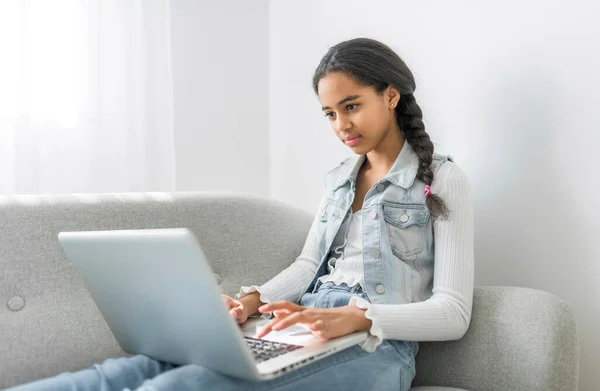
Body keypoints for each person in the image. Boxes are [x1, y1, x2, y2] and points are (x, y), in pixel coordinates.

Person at [9, 37, 474, 391]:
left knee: (179, 386)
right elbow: (309, 266)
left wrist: (365, 317)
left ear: (390, 97)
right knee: (126, 371)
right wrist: (250, 299)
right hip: (297, 326)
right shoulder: (339, 179)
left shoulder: (442, 180)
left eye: (351, 107)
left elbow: (453, 312)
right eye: (330, 113)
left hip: (377, 351)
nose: (342, 126)